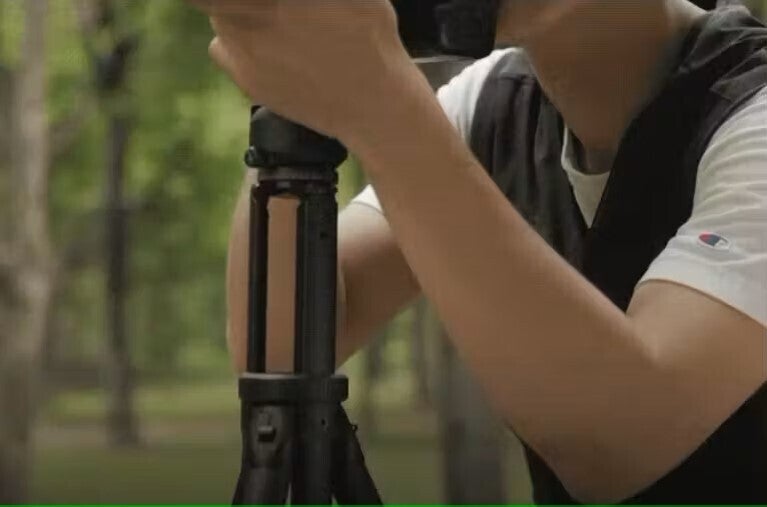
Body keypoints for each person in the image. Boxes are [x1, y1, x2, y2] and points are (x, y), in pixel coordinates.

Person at [188, 0, 767, 503]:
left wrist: (379, 105)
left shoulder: (751, 113)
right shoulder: (492, 100)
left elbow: (619, 442)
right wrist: (291, 87)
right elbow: (283, 343)